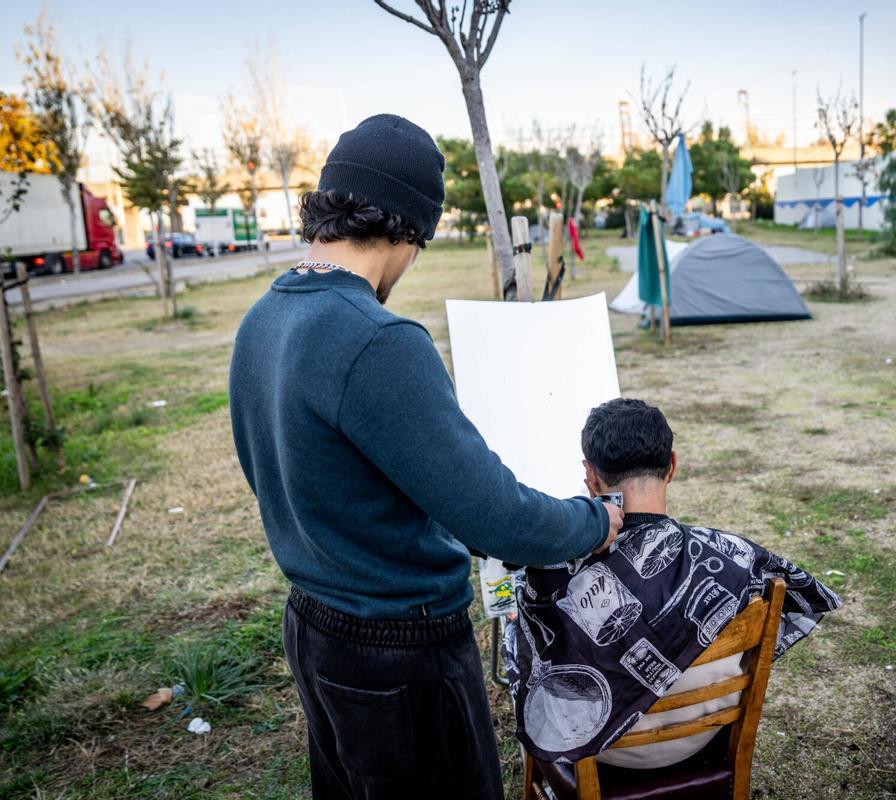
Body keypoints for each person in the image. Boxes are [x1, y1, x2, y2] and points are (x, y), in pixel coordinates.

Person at [228, 115, 623, 800]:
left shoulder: (263, 318)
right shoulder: (376, 339)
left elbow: (277, 473)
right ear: (408, 229)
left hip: (314, 626)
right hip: (399, 650)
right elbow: (497, 521)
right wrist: (595, 521)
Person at [503, 399, 841, 768]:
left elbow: (535, 669)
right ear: (673, 466)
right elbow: (806, 597)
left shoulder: (551, 580)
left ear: (591, 476)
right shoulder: (739, 558)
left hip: (603, 752)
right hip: (701, 736)